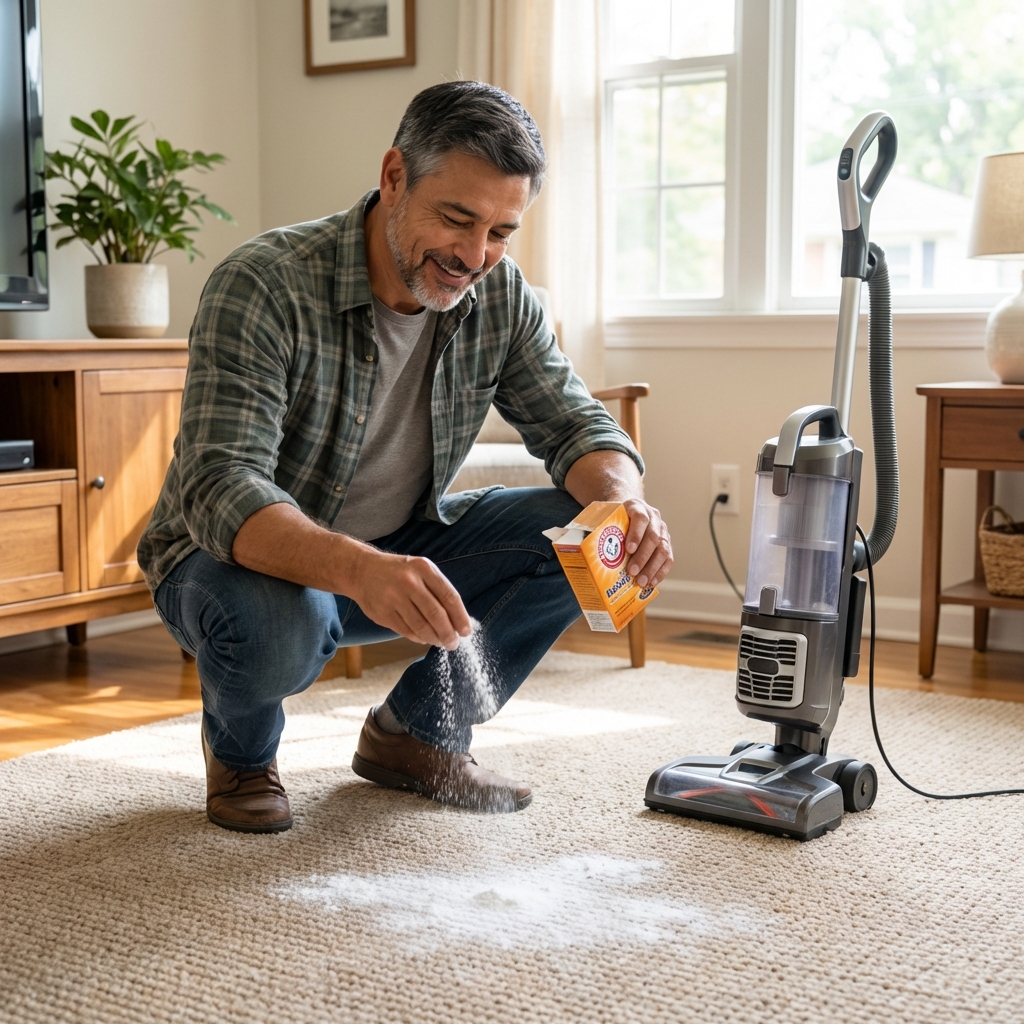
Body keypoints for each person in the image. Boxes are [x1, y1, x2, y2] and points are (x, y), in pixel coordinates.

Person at [138, 81, 674, 834]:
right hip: (236, 568)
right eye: (457, 219)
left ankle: (417, 736)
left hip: (399, 553)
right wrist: (360, 569)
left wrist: (627, 502)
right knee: (277, 621)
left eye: (500, 232)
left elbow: (576, 424)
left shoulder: (502, 296)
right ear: (394, 177)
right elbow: (221, 487)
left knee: (579, 528)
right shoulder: (263, 283)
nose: (474, 255)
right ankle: (243, 756)